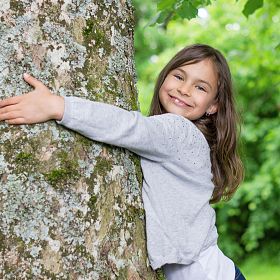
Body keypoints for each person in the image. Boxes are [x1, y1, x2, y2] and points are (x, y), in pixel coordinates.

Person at [0, 44, 246, 280]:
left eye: (200, 88)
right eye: (179, 76)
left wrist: (58, 106)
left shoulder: (181, 131)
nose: (184, 89)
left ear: (213, 106)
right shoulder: (180, 137)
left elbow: (127, 126)